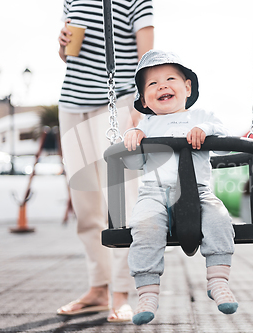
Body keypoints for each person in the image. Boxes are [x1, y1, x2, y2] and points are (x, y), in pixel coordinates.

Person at [122, 50, 238, 325]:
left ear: (187, 87)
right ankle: (147, 291)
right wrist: (133, 135)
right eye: (152, 84)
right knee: (144, 226)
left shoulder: (201, 115)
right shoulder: (146, 124)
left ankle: (218, 280)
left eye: (170, 79)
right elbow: (132, 157)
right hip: (154, 192)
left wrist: (204, 130)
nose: (162, 86)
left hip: (197, 191)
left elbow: (221, 130)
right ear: (144, 100)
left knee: (219, 220)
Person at [56, 0, 154, 322]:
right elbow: (68, 56)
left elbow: (147, 53)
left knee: (120, 200)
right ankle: (98, 288)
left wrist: (140, 104)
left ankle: (122, 292)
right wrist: (61, 46)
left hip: (117, 99)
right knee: (85, 203)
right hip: (72, 102)